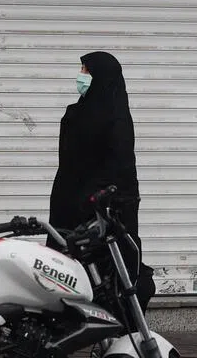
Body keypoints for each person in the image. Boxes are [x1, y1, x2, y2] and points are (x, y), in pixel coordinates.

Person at [49, 51, 155, 309]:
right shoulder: (82, 110)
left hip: (101, 210)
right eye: (82, 70)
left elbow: (119, 168)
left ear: (102, 77)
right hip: (70, 204)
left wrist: (100, 201)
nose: (81, 76)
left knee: (109, 273)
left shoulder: (115, 119)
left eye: (87, 71)